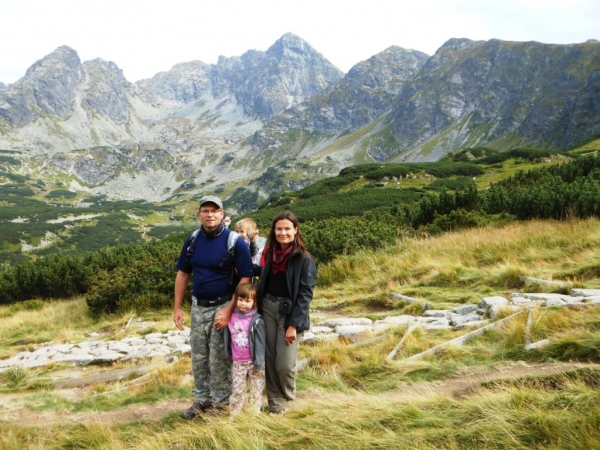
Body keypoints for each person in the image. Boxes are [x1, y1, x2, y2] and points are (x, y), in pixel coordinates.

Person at [173, 195, 254, 419]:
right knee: (199, 356)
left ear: (222, 214)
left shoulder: (234, 241)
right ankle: (202, 400)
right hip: (198, 306)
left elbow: (246, 277)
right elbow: (182, 273)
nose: (210, 214)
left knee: (219, 357)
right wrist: (177, 308)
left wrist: (229, 311)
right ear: (199, 214)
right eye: (205, 210)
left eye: (214, 210)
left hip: (223, 305)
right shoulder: (192, 240)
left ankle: (220, 404)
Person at [256, 210, 317, 414]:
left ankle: (287, 396)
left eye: (287, 229)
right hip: (267, 308)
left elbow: (305, 296)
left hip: (289, 314)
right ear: (274, 231)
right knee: (270, 358)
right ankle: (275, 403)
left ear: (295, 230)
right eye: (279, 228)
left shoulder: (304, 259)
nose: (283, 232)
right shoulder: (270, 253)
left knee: (284, 362)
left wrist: (293, 325)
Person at [223, 283, 265, 419]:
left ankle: (254, 415)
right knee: (238, 390)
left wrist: (259, 362)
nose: (243, 304)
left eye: (247, 301)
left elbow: (260, 343)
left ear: (254, 302)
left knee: (256, 390)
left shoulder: (257, 321)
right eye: (240, 299)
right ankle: (235, 415)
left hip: (254, 362)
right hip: (238, 362)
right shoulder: (230, 317)